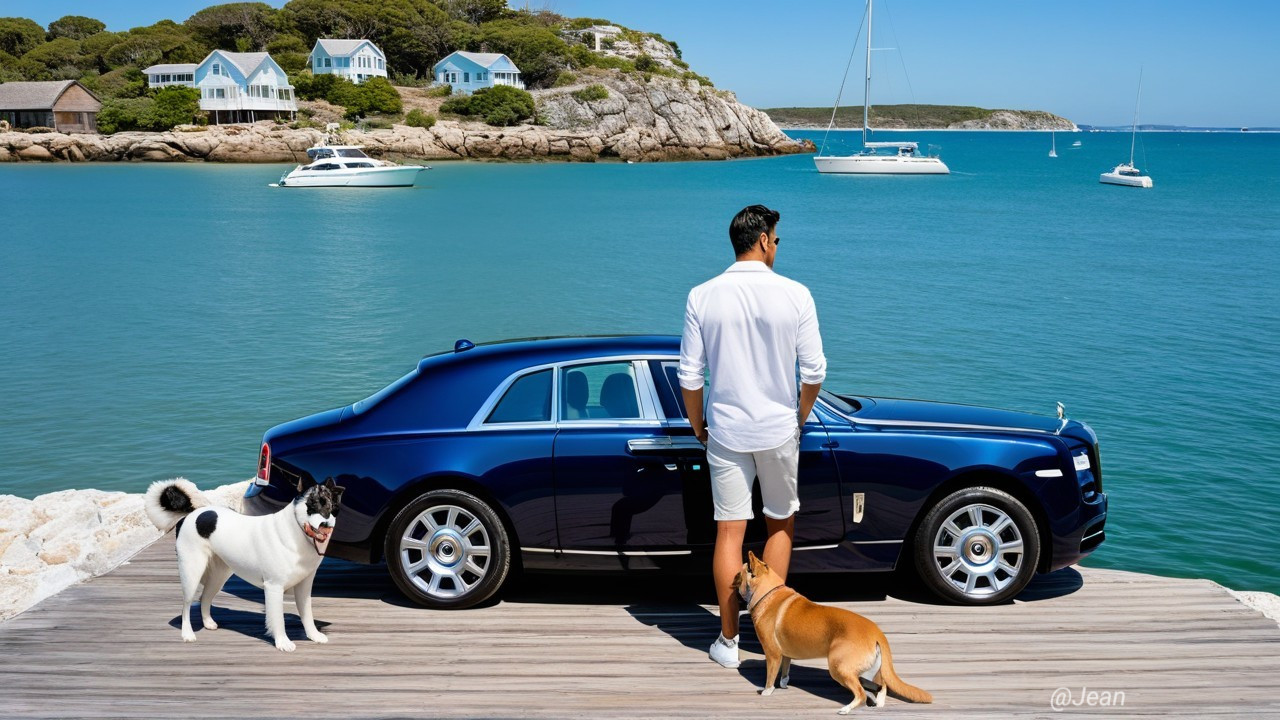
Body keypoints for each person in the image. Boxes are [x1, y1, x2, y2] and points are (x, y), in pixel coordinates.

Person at [678, 204, 826, 668]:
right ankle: (772, 639)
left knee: (729, 530)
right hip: (778, 429)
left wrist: (698, 425)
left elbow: (690, 376)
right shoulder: (796, 294)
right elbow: (814, 371)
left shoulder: (702, 296)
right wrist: (799, 416)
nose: (776, 247)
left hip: (725, 430)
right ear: (763, 240)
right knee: (779, 523)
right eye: (776, 240)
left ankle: (728, 642)